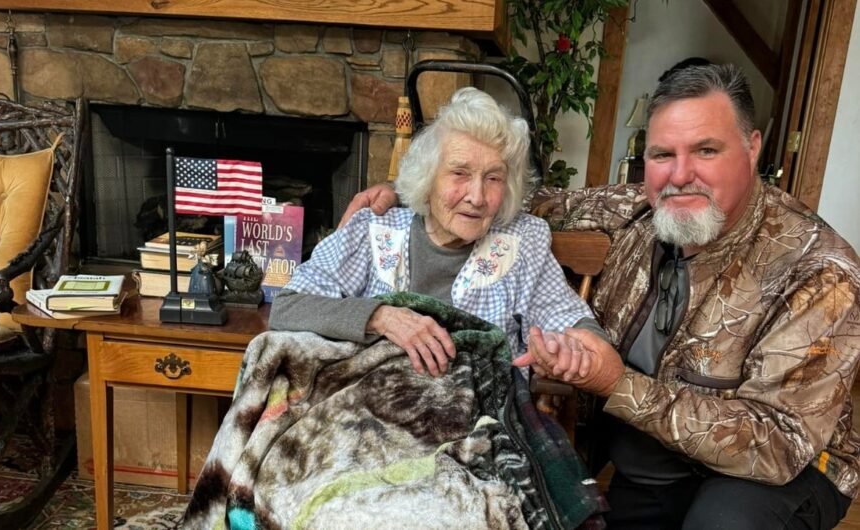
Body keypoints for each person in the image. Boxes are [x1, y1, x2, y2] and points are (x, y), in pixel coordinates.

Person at [341, 64, 860, 529]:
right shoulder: (635, 208)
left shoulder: (819, 272)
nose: (679, 175)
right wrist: (407, 192)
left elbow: (775, 446)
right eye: (662, 154)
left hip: (773, 475)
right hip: (647, 462)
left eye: (706, 150)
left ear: (752, 148)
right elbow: (520, 198)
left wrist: (616, 383)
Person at [270, 86, 603, 377]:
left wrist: (571, 349)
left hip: (477, 421)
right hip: (370, 413)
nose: (476, 197)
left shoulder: (521, 243)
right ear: (427, 180)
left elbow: (574, 322)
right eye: (459, 173)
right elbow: (288, 307)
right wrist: (380, 317)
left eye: (493, 178)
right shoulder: (374, 231)